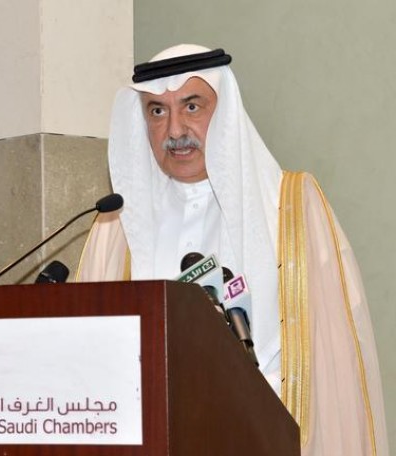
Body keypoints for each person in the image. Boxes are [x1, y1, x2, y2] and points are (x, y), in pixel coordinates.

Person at [76, 44, 389, 455]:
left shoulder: (291, 207)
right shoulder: (116, 228)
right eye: (157, 111)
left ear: (224, 111)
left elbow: (333, 364)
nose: (174, 130)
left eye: (192, 107)